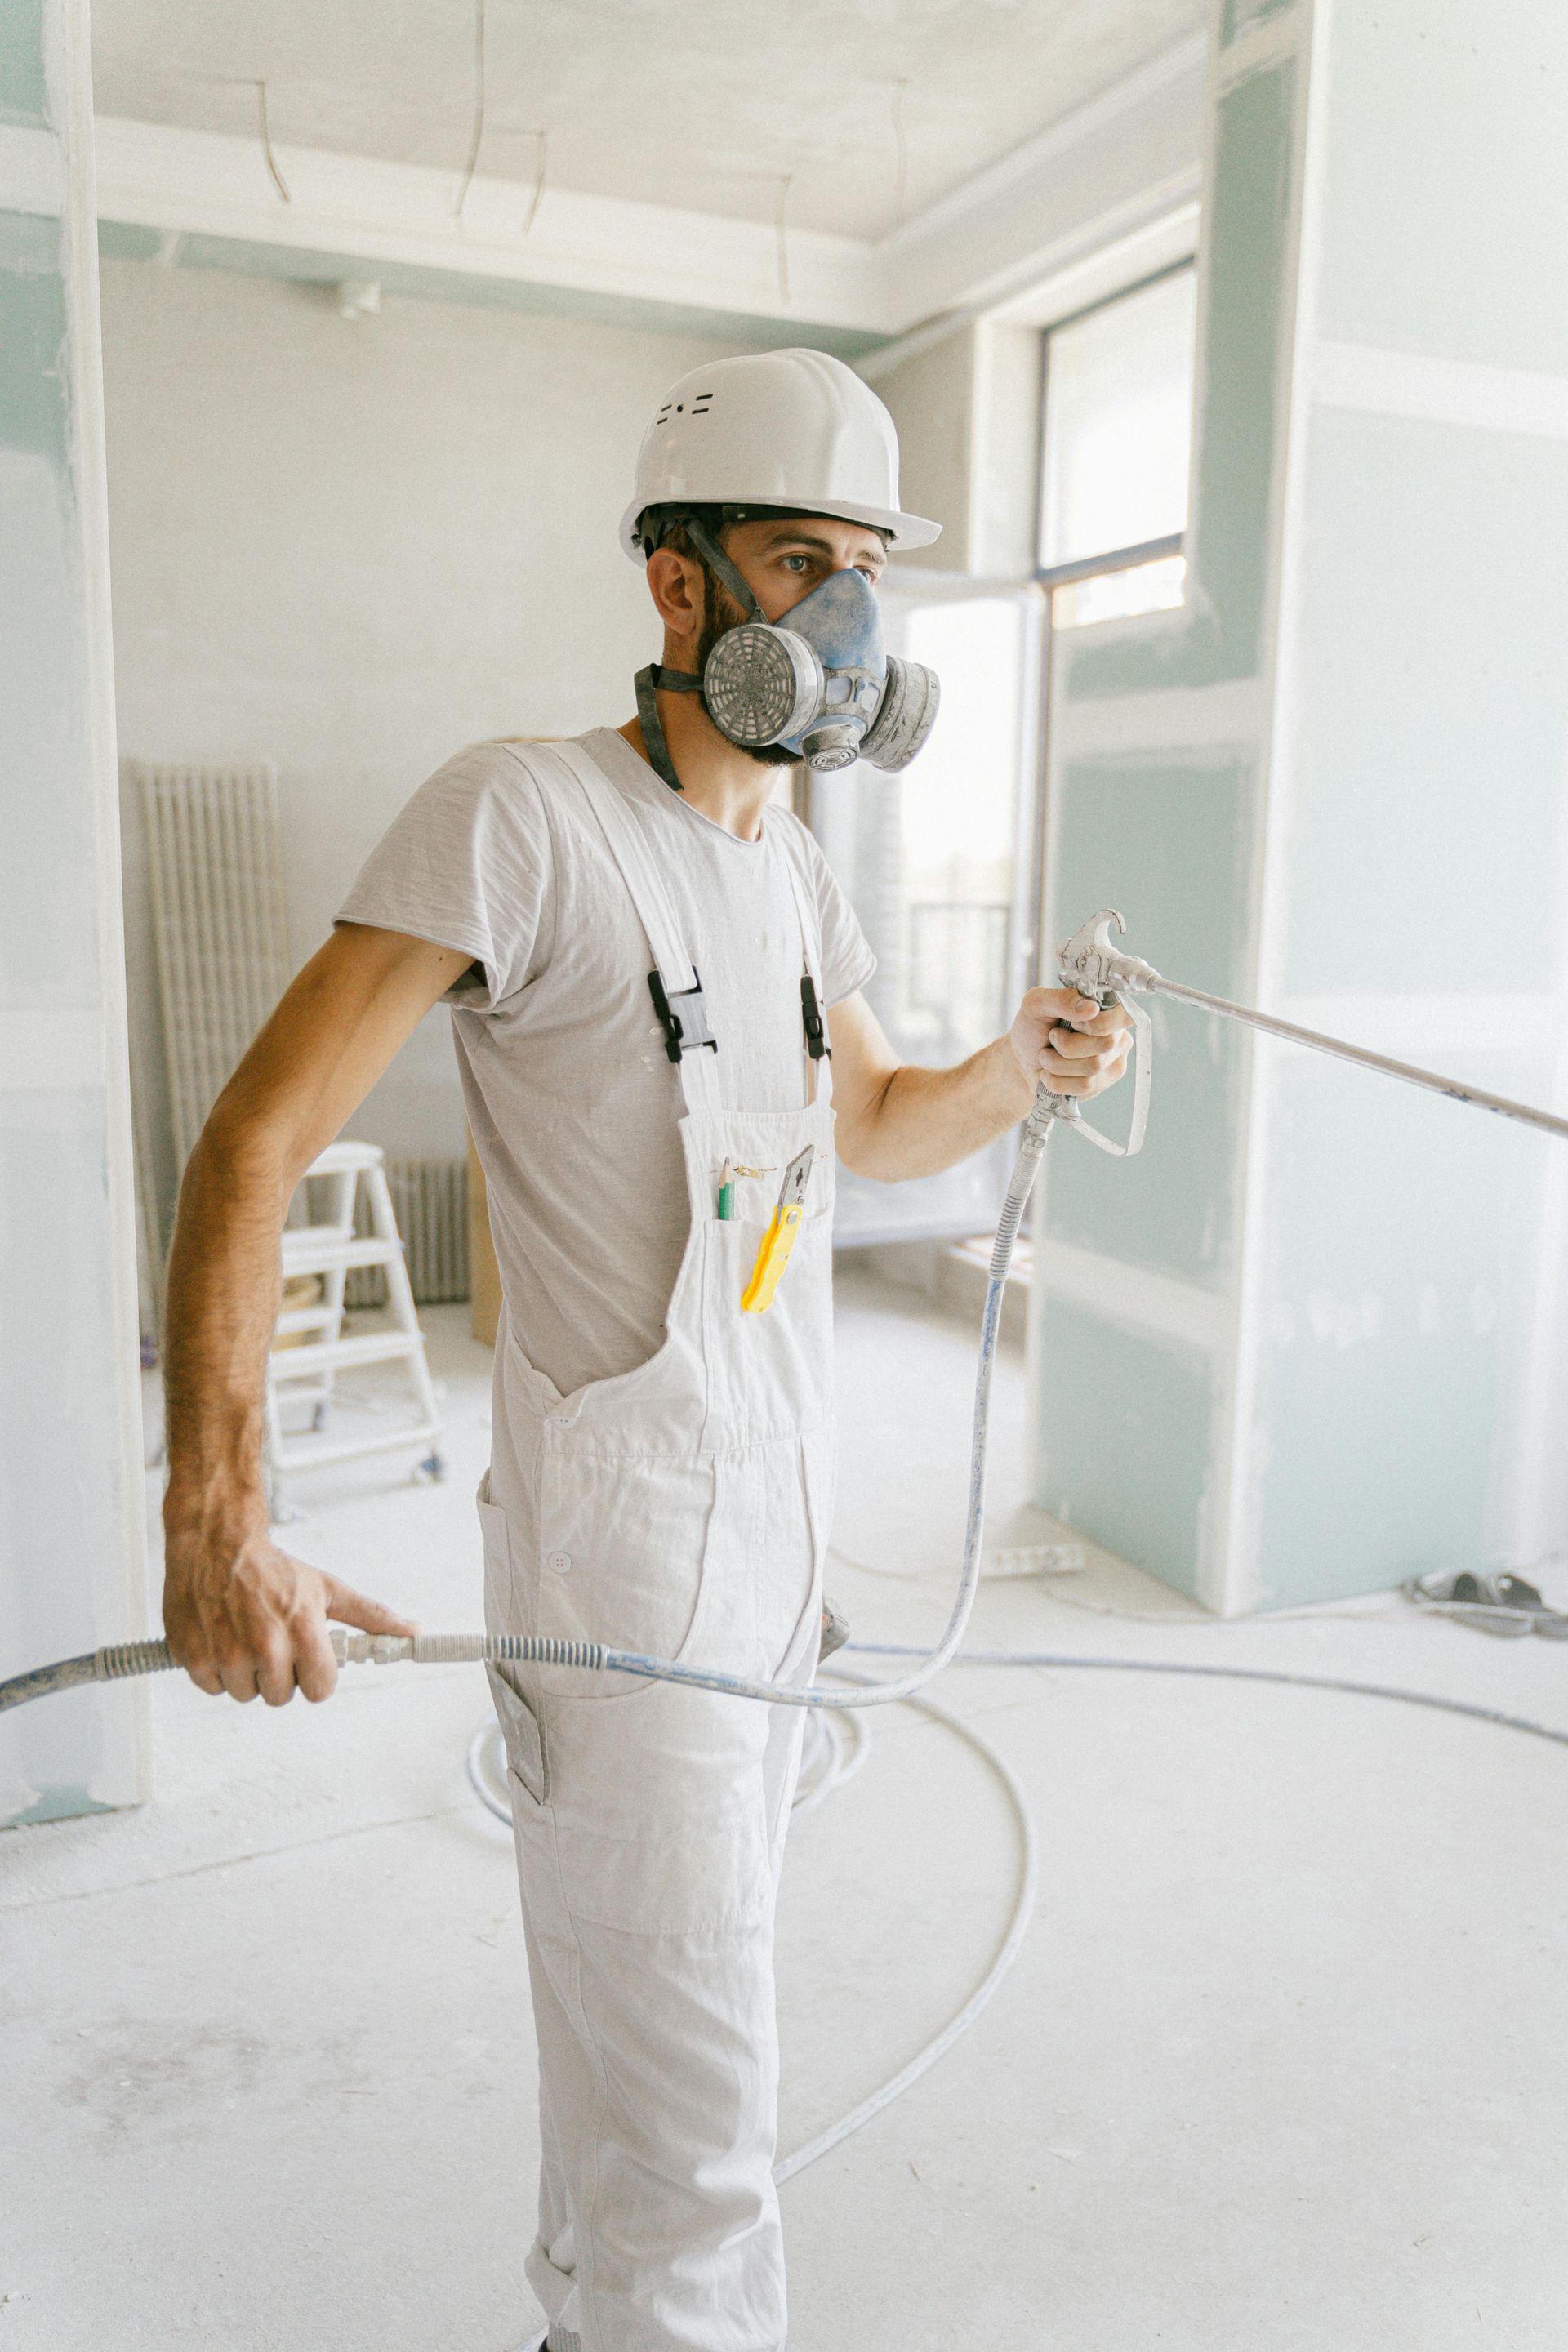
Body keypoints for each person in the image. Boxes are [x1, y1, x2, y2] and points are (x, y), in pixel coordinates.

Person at [159, 346, 1132, 2352]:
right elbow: (254, 1140)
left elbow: (868, 1121)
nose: (845, 624)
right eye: (800, 563)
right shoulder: (522, 815)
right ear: (680, 592)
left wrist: (1019, 1072)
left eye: (864, 569)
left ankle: (580, 2322)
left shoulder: (790, 863)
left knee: (655, 2022)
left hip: (775, 1529)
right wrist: (217, 1513)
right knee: (702, 2113)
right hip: (622, 1555)